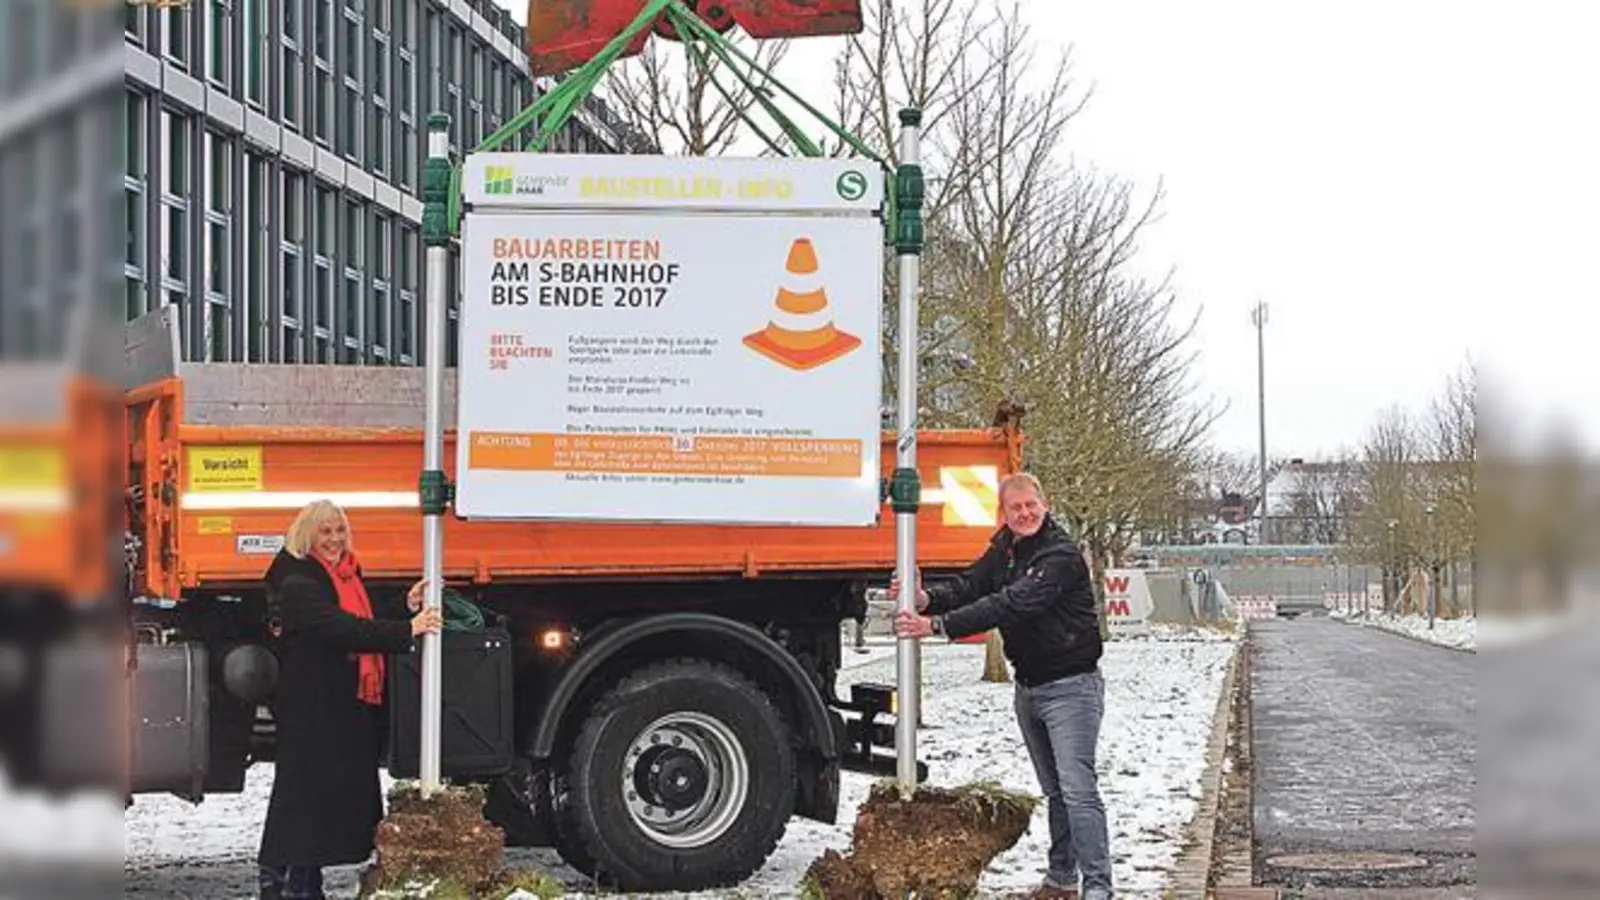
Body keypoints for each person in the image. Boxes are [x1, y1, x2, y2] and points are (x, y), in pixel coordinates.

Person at [891, 472, 1112, 900]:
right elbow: (972, 584)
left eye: (1031, 505)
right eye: (1016, 508)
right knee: (1056, 791)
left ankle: (1099, 888)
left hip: (1071, 688)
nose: (1025, 514)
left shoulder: (1061, 556)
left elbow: (1011, 603)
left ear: (1044, 505)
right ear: (1004, 513)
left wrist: (935, 625)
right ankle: (1062, 879)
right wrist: (926, 599)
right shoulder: (1005, 550)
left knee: (1078, 789)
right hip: (1029, 688)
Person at [256, 499, 443, 900]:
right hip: (311, 707)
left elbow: (361, 615)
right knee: (300, 795)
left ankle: (301, 883)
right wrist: (407, 628)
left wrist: (402, 606)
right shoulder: (297, 582)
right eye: (326, 532)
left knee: (312, 798)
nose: (335, 539)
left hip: (334, 705)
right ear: (307, 535)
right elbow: (342, 628)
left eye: (340, 531)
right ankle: (280, 880)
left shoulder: (341, 576)